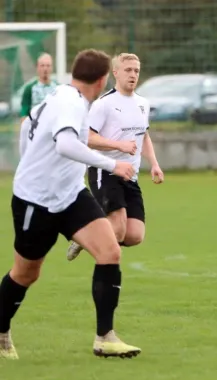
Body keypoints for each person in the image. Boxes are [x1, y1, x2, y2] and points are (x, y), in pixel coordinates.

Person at [0, 49, 141, 360]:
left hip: (71, 195)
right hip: (35, 200)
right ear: (104, 79)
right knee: (26, 274)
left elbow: (28, 128)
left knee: (109, 251)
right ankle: (0, 328)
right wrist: (111, 165)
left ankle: (105, 337)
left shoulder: (62, 95)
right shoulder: (70, 102)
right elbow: (64, 144)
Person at [66, 53, 163, 262]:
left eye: (136, 70)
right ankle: (106, 272)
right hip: (106, 170)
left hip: (130, 175)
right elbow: (87, 138)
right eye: (128, 70)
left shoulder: (143, 104)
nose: (133, 74)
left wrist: (154, 164)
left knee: (135, 235)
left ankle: (87, 236)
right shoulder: (104, 104)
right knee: (117, 229)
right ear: (115, 73)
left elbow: (143, 135)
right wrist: (119, 145)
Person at [19, 53, 59, 122]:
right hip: (35, 129)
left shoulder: (58, 88)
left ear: (52, 68)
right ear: (37, 68)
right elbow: (24, 113)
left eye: (48, 65)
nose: (45, 68)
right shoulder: (29, 88)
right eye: (42, 65)